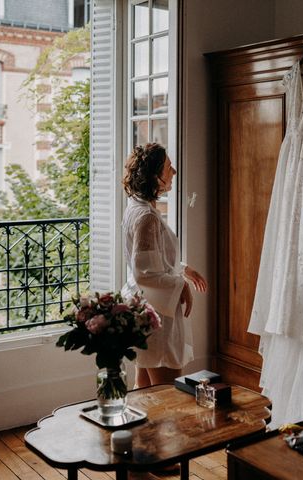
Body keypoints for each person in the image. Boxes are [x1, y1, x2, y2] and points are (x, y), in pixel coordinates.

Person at [121, 143, 207, 388]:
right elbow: (146, 273)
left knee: (144, 387)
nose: (175, 172)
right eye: (169, 167)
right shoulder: (147, 217)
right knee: (167, 393)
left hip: (143, 307)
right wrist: (181, 286)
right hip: (156, 315)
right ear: (154, 176)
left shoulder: (137, 207)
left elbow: (152, 259)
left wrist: (183, 269)